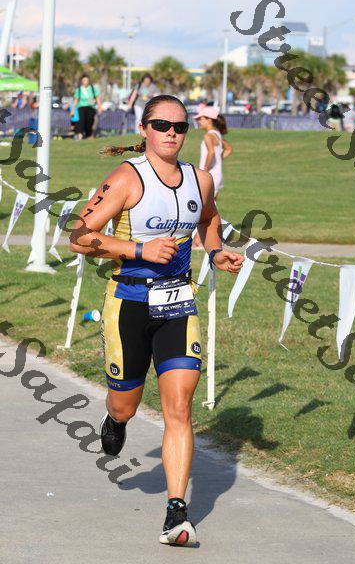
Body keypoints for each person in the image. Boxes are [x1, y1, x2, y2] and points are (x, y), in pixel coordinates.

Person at [69, 94, 244, 547]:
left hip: (178, 304)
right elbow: (79, 237)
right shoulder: (127, 178)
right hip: (128, 304)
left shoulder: (200, 179)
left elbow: (209, 219)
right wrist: (138, 249)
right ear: (144, 129)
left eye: (180, 126)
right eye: (162, 125)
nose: (171, 133)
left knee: (179, 408)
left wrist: (217, 251)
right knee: (125, 404)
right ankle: (116, 419)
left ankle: (176, 512)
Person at [191, 106, 232, 248]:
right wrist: (218, 162)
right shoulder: (217, 135)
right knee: (209, 206)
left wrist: (205, 169)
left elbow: (211, 153)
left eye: (200, 119)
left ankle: (201, 240)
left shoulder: (208, 136)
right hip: (217, 175)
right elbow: (229, 149)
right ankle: (200, 239)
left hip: (209, 176)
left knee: (204, 208)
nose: (198, 121)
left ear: (209, 120)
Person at [70, 74, 102, 140]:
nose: (85, 82)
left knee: (89, 121)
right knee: (81, 122)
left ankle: (89, 136)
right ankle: (80, 137)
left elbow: (97, 98)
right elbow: (75, 101)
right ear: (81, 81)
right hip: (81, 107)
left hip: (90, 107)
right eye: (84, 80)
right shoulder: (79, 90)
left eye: (86, 80)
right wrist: (72, 110)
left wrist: (99, 107)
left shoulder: (93, 88)